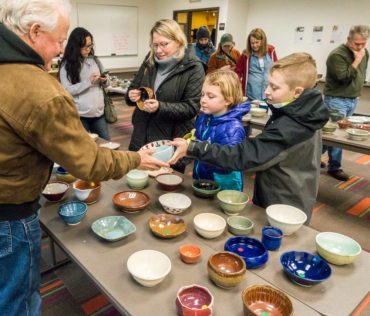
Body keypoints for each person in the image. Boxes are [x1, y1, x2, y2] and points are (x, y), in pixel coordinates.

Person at [0, 1, 166, 315]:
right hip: (8, 217)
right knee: (16, 302)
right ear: (35, 31)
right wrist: (134, 159)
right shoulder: (37, 88)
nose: (61, 50)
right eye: (60, 40)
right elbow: (89, 163)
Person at [169, 53, 329, 223]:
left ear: (297, 92)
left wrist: (193, 148)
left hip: (284, 202)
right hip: (288, 189)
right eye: (268, 84)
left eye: (274, 88)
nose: (266, 91)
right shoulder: (306, 112)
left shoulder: (292, 126)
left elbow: (245, 156)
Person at [126, 19, 205, 172]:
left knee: (165, 189)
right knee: (140, 184)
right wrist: (131, 96)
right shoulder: (150, 59)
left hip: (169, 143)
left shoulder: (194, 67)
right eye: (155, 45)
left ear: (178, 41)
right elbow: (135, 87)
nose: (158, 50)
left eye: (164, 44)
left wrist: (160, 107)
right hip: (141, 136)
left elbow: (192, 107)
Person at [322, 25, 369, 181]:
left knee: (328, 133)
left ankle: (311, 157)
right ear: (348, 39)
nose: (361, 47)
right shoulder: (337, 55)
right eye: (357, 43)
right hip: (336, 100)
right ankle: (335, 167)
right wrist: (357, 60)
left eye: (364, 43)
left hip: (352, 99)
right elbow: (344, 77)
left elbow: (360, 75)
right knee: (337, 135)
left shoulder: (364, 53)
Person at [193, 70, 250, 191]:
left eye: (210, 96)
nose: (203, 100)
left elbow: (228, 164)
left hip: (223, 184)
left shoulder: (233, 129)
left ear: (228, 100)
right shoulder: (204, 117)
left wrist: (196, 149)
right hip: (203, 176)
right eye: (202, 94)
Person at [59, 27, 111, 140]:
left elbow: (107, 82)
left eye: (90, 45)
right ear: (76, 46)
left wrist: (104, 80)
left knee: (108, 146)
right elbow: (67, 90)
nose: (88, 49)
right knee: (84, 150)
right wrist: (89, 82)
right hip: (80, 116)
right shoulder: (66, 65)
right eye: (85, 46)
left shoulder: (95, 60)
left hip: (99, 115)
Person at [235, 28, 278, 101]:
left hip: (268, 92)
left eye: (257, 42)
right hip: (251, 93)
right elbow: (237, 72)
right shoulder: (246, 55)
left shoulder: (271, 51)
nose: (254, 45)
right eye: (252, 43)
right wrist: (238, 86)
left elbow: (276, 68)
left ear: (263, 41)